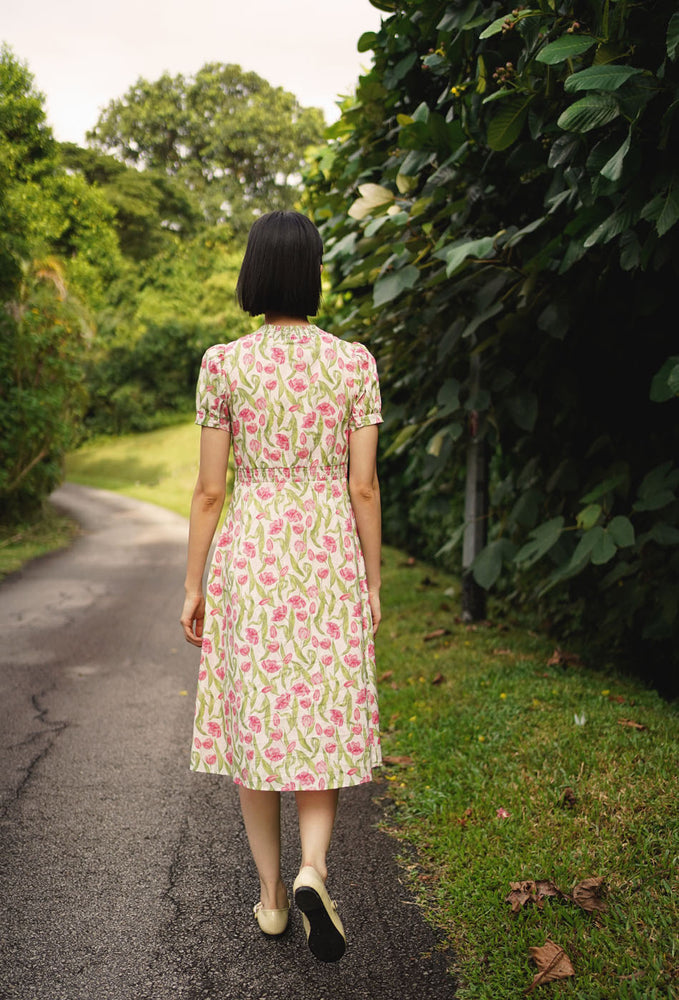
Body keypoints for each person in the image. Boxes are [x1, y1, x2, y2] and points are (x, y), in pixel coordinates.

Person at [179, 210, 383, 963]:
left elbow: (208, 491)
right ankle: (313, 869)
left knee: (255, 723)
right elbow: (363, 487)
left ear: (253, 274)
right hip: (327, 551)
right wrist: (371, 583)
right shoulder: (353, 362)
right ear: (314, 273)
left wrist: (194, 585)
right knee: (320, 715)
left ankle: (270, 898)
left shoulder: (225, 363)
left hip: (253, 556)